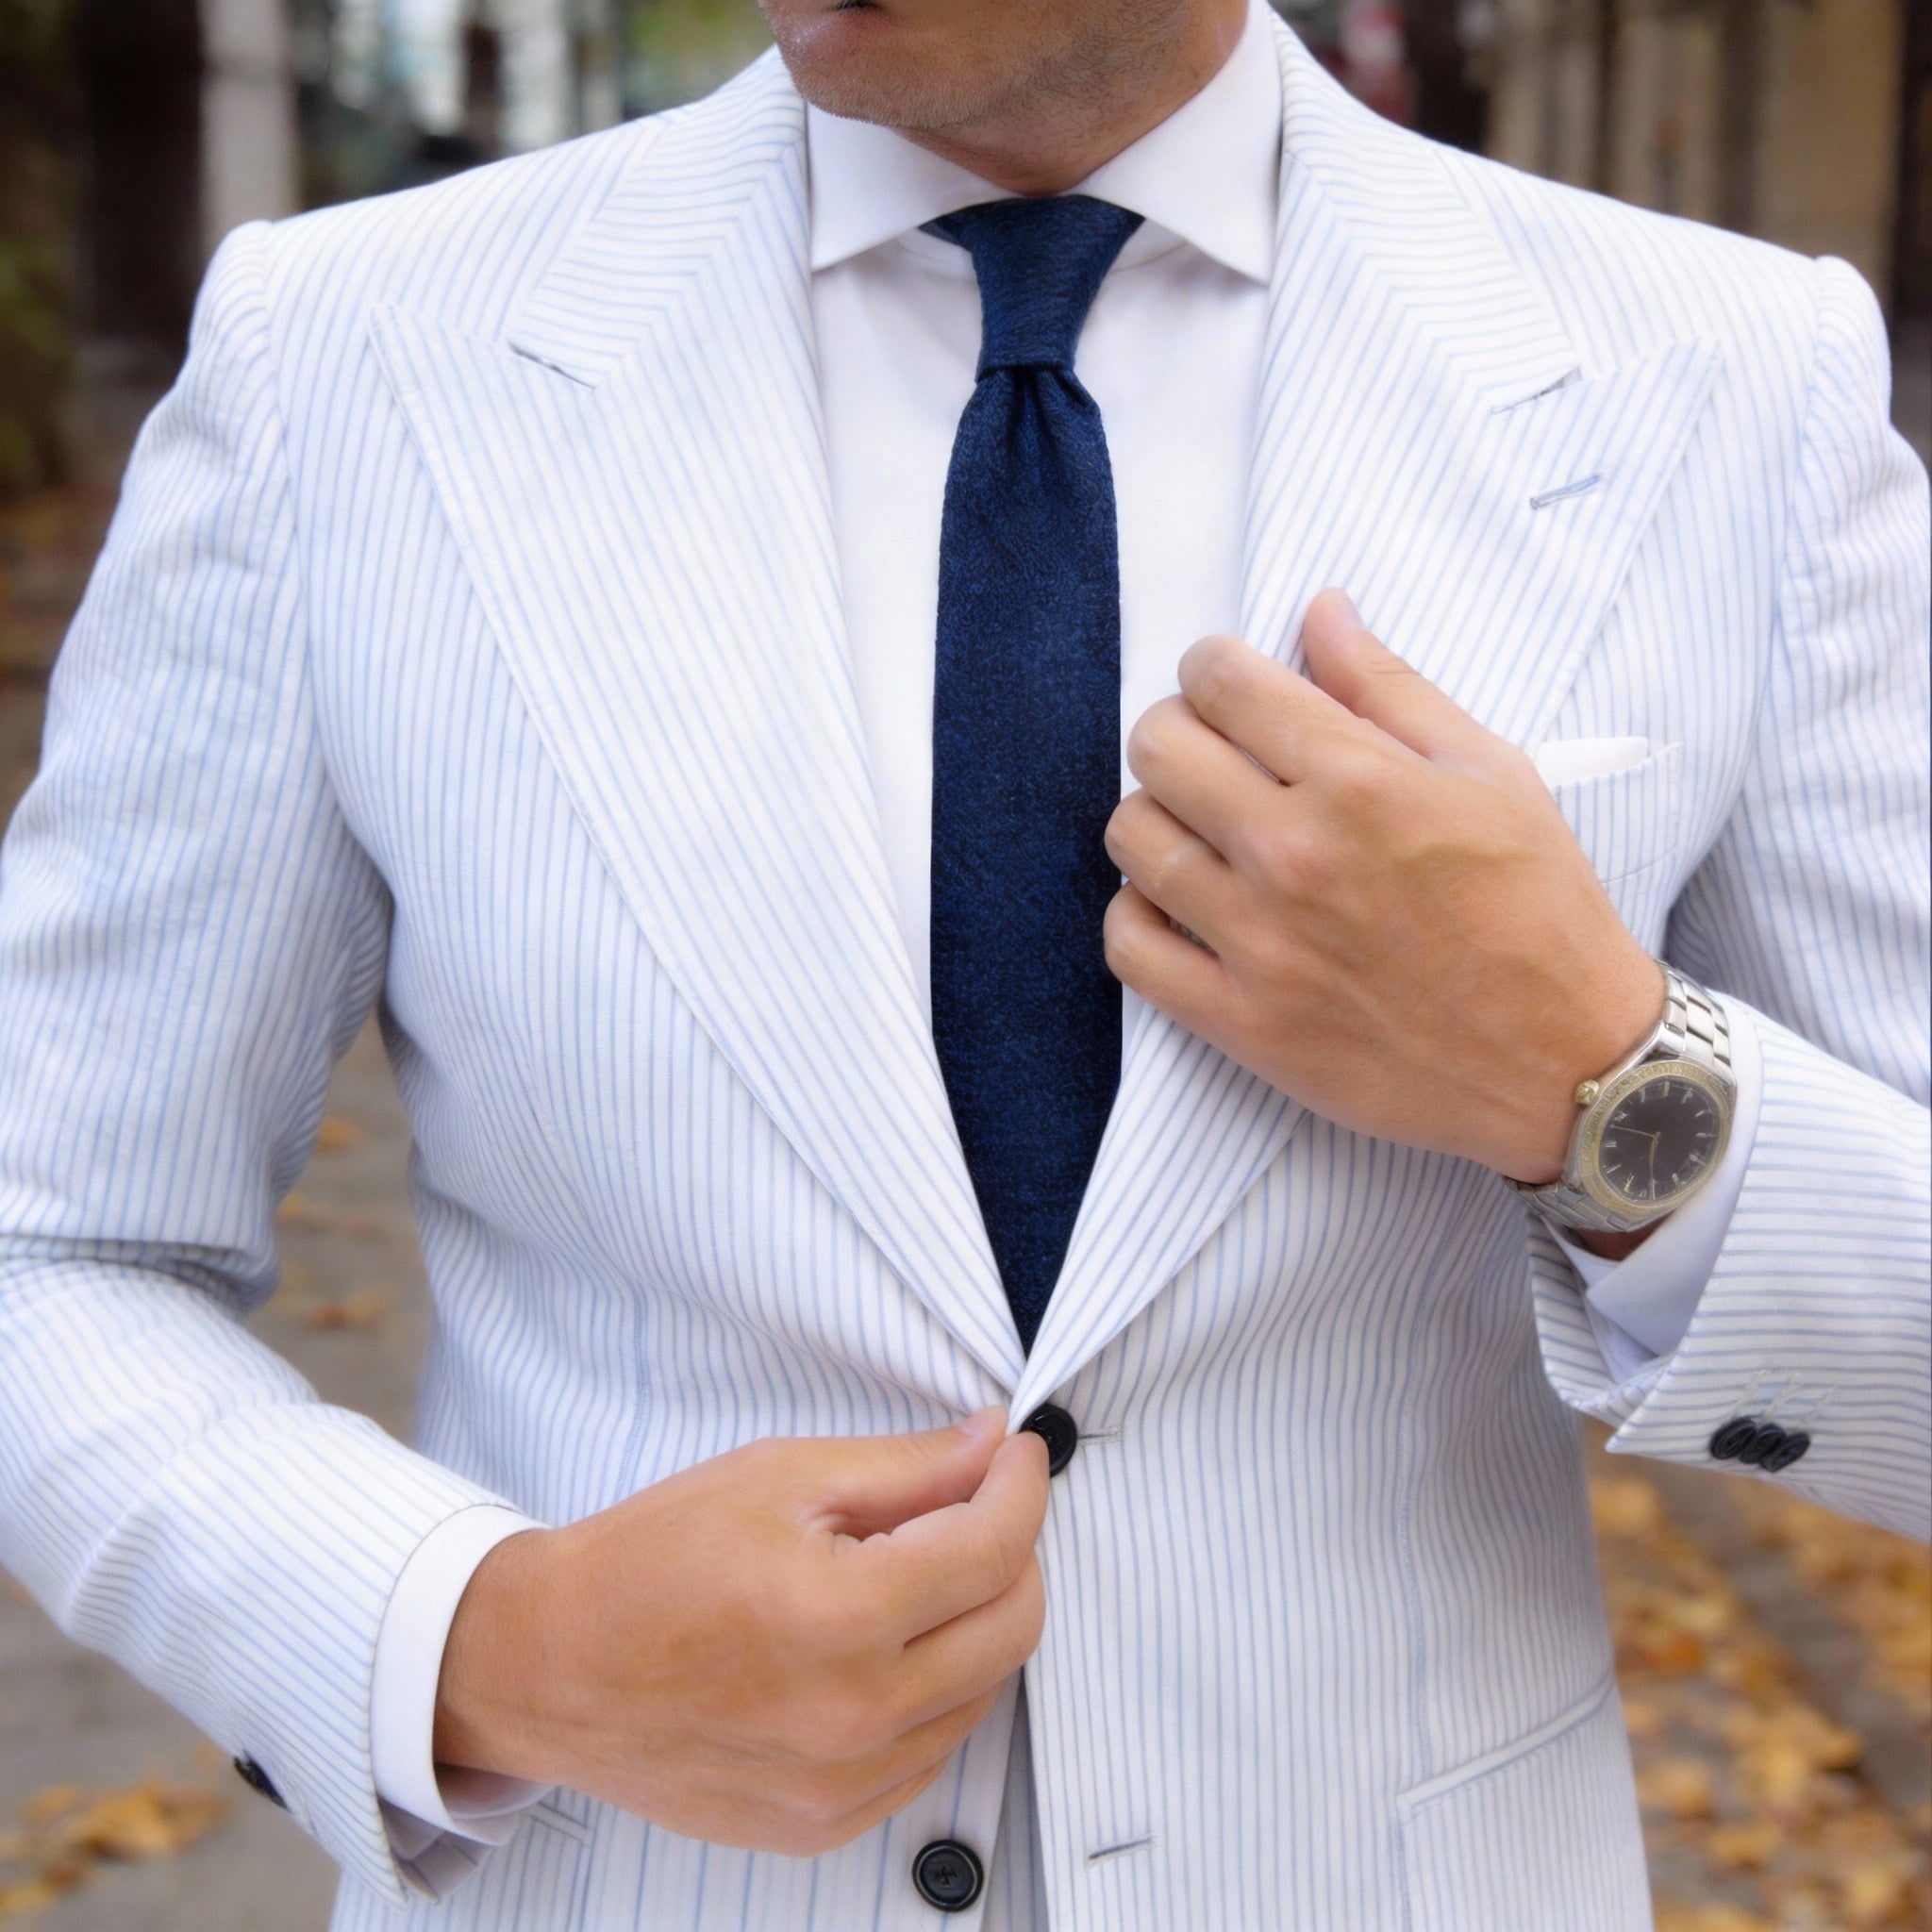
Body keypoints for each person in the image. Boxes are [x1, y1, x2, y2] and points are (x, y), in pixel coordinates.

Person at [0, 0, 1924, 1924]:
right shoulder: (342, 358)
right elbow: (52, 1239)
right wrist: (486, 1642)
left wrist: (1600, 1081)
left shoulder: (1731, 383)